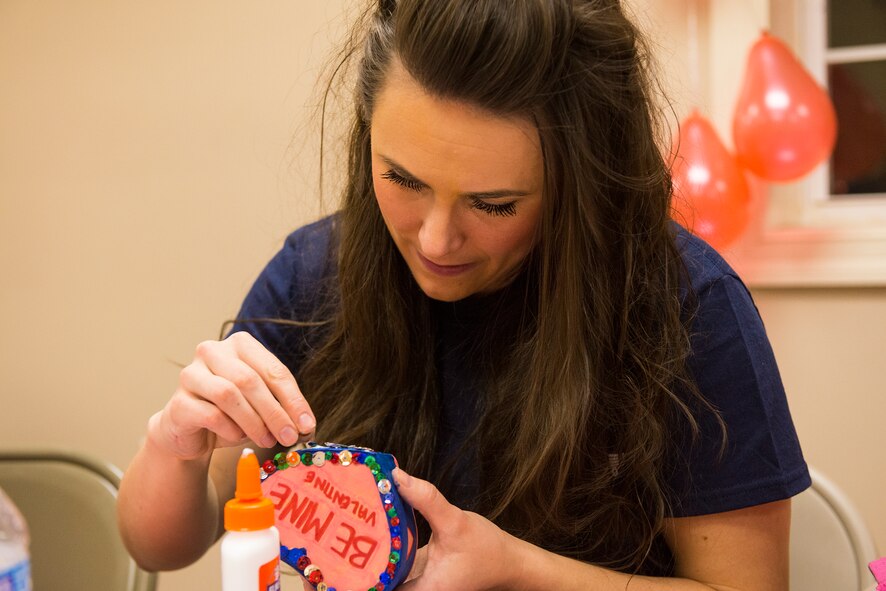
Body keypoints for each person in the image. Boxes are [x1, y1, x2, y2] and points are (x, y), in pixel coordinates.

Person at [117, 1, 811, 588]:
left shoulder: (688, 306)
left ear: (582, 181)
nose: (437, 241)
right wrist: (174, 444)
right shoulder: (314, 272)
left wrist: (516, 566)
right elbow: (160, 545)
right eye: (404, 179)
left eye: (495, 203)